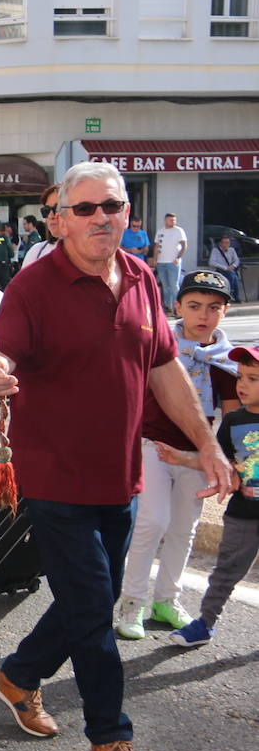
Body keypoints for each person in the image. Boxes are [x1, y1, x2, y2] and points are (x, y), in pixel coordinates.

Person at [0, 161, 233, 751]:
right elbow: (0, 352)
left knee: (89, 595)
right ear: (60, 219)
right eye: (85, 209)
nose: (100, 219)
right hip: (55, 476)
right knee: (94, 611)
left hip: (120, 477)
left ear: (127, 214)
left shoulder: (142, 277)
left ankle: (19, 674)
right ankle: (110, 736)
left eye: (111, 207)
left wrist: (207, 446)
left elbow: (165, 373)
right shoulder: (35, 288)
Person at [117, 270, 237, 640]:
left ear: (226, 311)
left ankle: (167, 599)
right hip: (151, 445)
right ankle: (132, 603)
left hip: (196, 455)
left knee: (185, 529)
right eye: (195, 306)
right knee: (153, 522)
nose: (204, 315)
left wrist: (223, 460)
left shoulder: (227, 360)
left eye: (214, 308)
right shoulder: (158, 344)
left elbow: (232, 417)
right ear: (177, 306)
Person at [162, 345, 259, 647]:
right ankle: (205, 623)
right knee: (226, 572)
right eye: (240, 377)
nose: (241, 384)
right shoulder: (234, 421)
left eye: (253, 378)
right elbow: (216, 460)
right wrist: (181, 459)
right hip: (243, 514)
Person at [21, 184, 62, 269]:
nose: (51, 216)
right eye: (46, 211)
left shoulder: (92, 253)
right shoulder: (36, 252)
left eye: (57, 209)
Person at [154, 212, 188, 309]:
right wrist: (155, 259)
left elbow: (184, 245)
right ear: (165, 220)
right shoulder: (160, 231)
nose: (173, 222)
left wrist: (178, 257)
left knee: (174, 285)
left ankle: (177, 307)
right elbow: (156, 246)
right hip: (161, 262)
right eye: (170, 220)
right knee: (165, 286)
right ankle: (168, 306)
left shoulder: (179, 231)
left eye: (174, 220)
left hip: (173, 262)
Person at [209, 235, 243, 302]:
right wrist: (225, 268)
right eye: (224, 242)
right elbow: (211, 262)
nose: (226, 244)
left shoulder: (232, 250)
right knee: (233, 276)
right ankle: (234, 296)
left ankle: (231, 294)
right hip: (220, 270)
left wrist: (233, 266)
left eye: (227, 243)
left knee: (233, 275)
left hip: (230, 270)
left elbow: (237, 260)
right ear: (220, 243)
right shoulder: (215, 250)